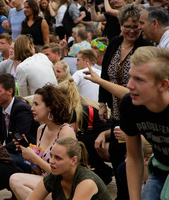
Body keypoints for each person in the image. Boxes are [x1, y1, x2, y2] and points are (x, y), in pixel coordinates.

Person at [97, 4, 152, 199]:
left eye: (136, 26)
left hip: (138, 113)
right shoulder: (114, 42)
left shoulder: (146, 47)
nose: (131, 30)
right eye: (127, 26)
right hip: (116, 112)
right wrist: (102, 103)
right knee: (116, 156)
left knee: (131, 161)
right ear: (120, 25)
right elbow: (104, 75)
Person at [119, 47, 169, 200]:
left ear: (163, 85)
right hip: (161, 167)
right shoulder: (129, 105)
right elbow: (133, 157)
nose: (129, 85)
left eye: (139, 80)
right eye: (130, 77)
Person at [9, 84, 76, 200]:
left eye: (36, 104)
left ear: (49, 107)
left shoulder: (65, 131)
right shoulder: (41, 129)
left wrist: (34, 158)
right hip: (48, 183)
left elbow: (65, 174)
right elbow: (39, 171)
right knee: (16, 179)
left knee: (16, 180)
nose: (32, 108)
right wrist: (29, 156)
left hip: (64, 187)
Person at [27, 137, 111, 200]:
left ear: (74, 160)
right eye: (51, 156)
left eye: (58, 158)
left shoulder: (86, 182)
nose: (51, 161)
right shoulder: (52, 177)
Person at [0, 73, 39, 173]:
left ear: (10, 91)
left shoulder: (21, 109)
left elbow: (19, 139)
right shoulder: (0, 109)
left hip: (28, 154)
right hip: (12, 152)